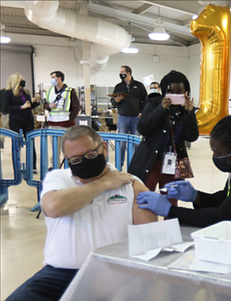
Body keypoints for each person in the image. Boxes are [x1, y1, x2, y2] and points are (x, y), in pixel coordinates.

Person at [6, 126, 157, 301]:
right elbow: (54, 207)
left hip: (115, 273)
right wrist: (104, 184)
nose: (85, 162)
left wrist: (136, 280)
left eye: (91, 155)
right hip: (61, 275)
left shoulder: (130, 184)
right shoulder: (59, 178)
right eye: (76, 160)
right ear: (67, 160)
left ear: (104, 148)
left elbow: (149, 240)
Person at [128, 71, 199, 206]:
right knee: (143, 201)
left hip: (175, 165)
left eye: (180, 92)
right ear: (165, 91)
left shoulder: (186, 110)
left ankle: (169, 226)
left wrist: (190, 113)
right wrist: (162, 109)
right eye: (172, 92)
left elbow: (192, 137)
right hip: (151, 162)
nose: (176, 95)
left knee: (171, 203)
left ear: (186, 92)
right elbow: (143, 128)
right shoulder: (154, 103)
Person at [110, 65, 148, 169]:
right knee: (122, 143)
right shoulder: (118, 87)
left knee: (135, 142)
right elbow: (113, 101)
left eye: (122, 71)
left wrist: (142, 113)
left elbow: (145, 100)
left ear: (128, 73)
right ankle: (119, 165)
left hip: (136, 117)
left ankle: (135, 165)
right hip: (123, 117)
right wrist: (116, 101)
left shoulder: (139, 86)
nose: (120, 74)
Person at [3, 73, 41, 173]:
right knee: (16, 144)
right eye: (21, 79)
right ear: (16, 81)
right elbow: (6, 107)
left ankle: (32, 167)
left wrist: (36, 102)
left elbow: (28, 106)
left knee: (31, 143)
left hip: (28, 120)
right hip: (16, 120)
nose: (23, 81)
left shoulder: (25, 91)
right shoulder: (8, 93)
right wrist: (21, 107)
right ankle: (17, 166)